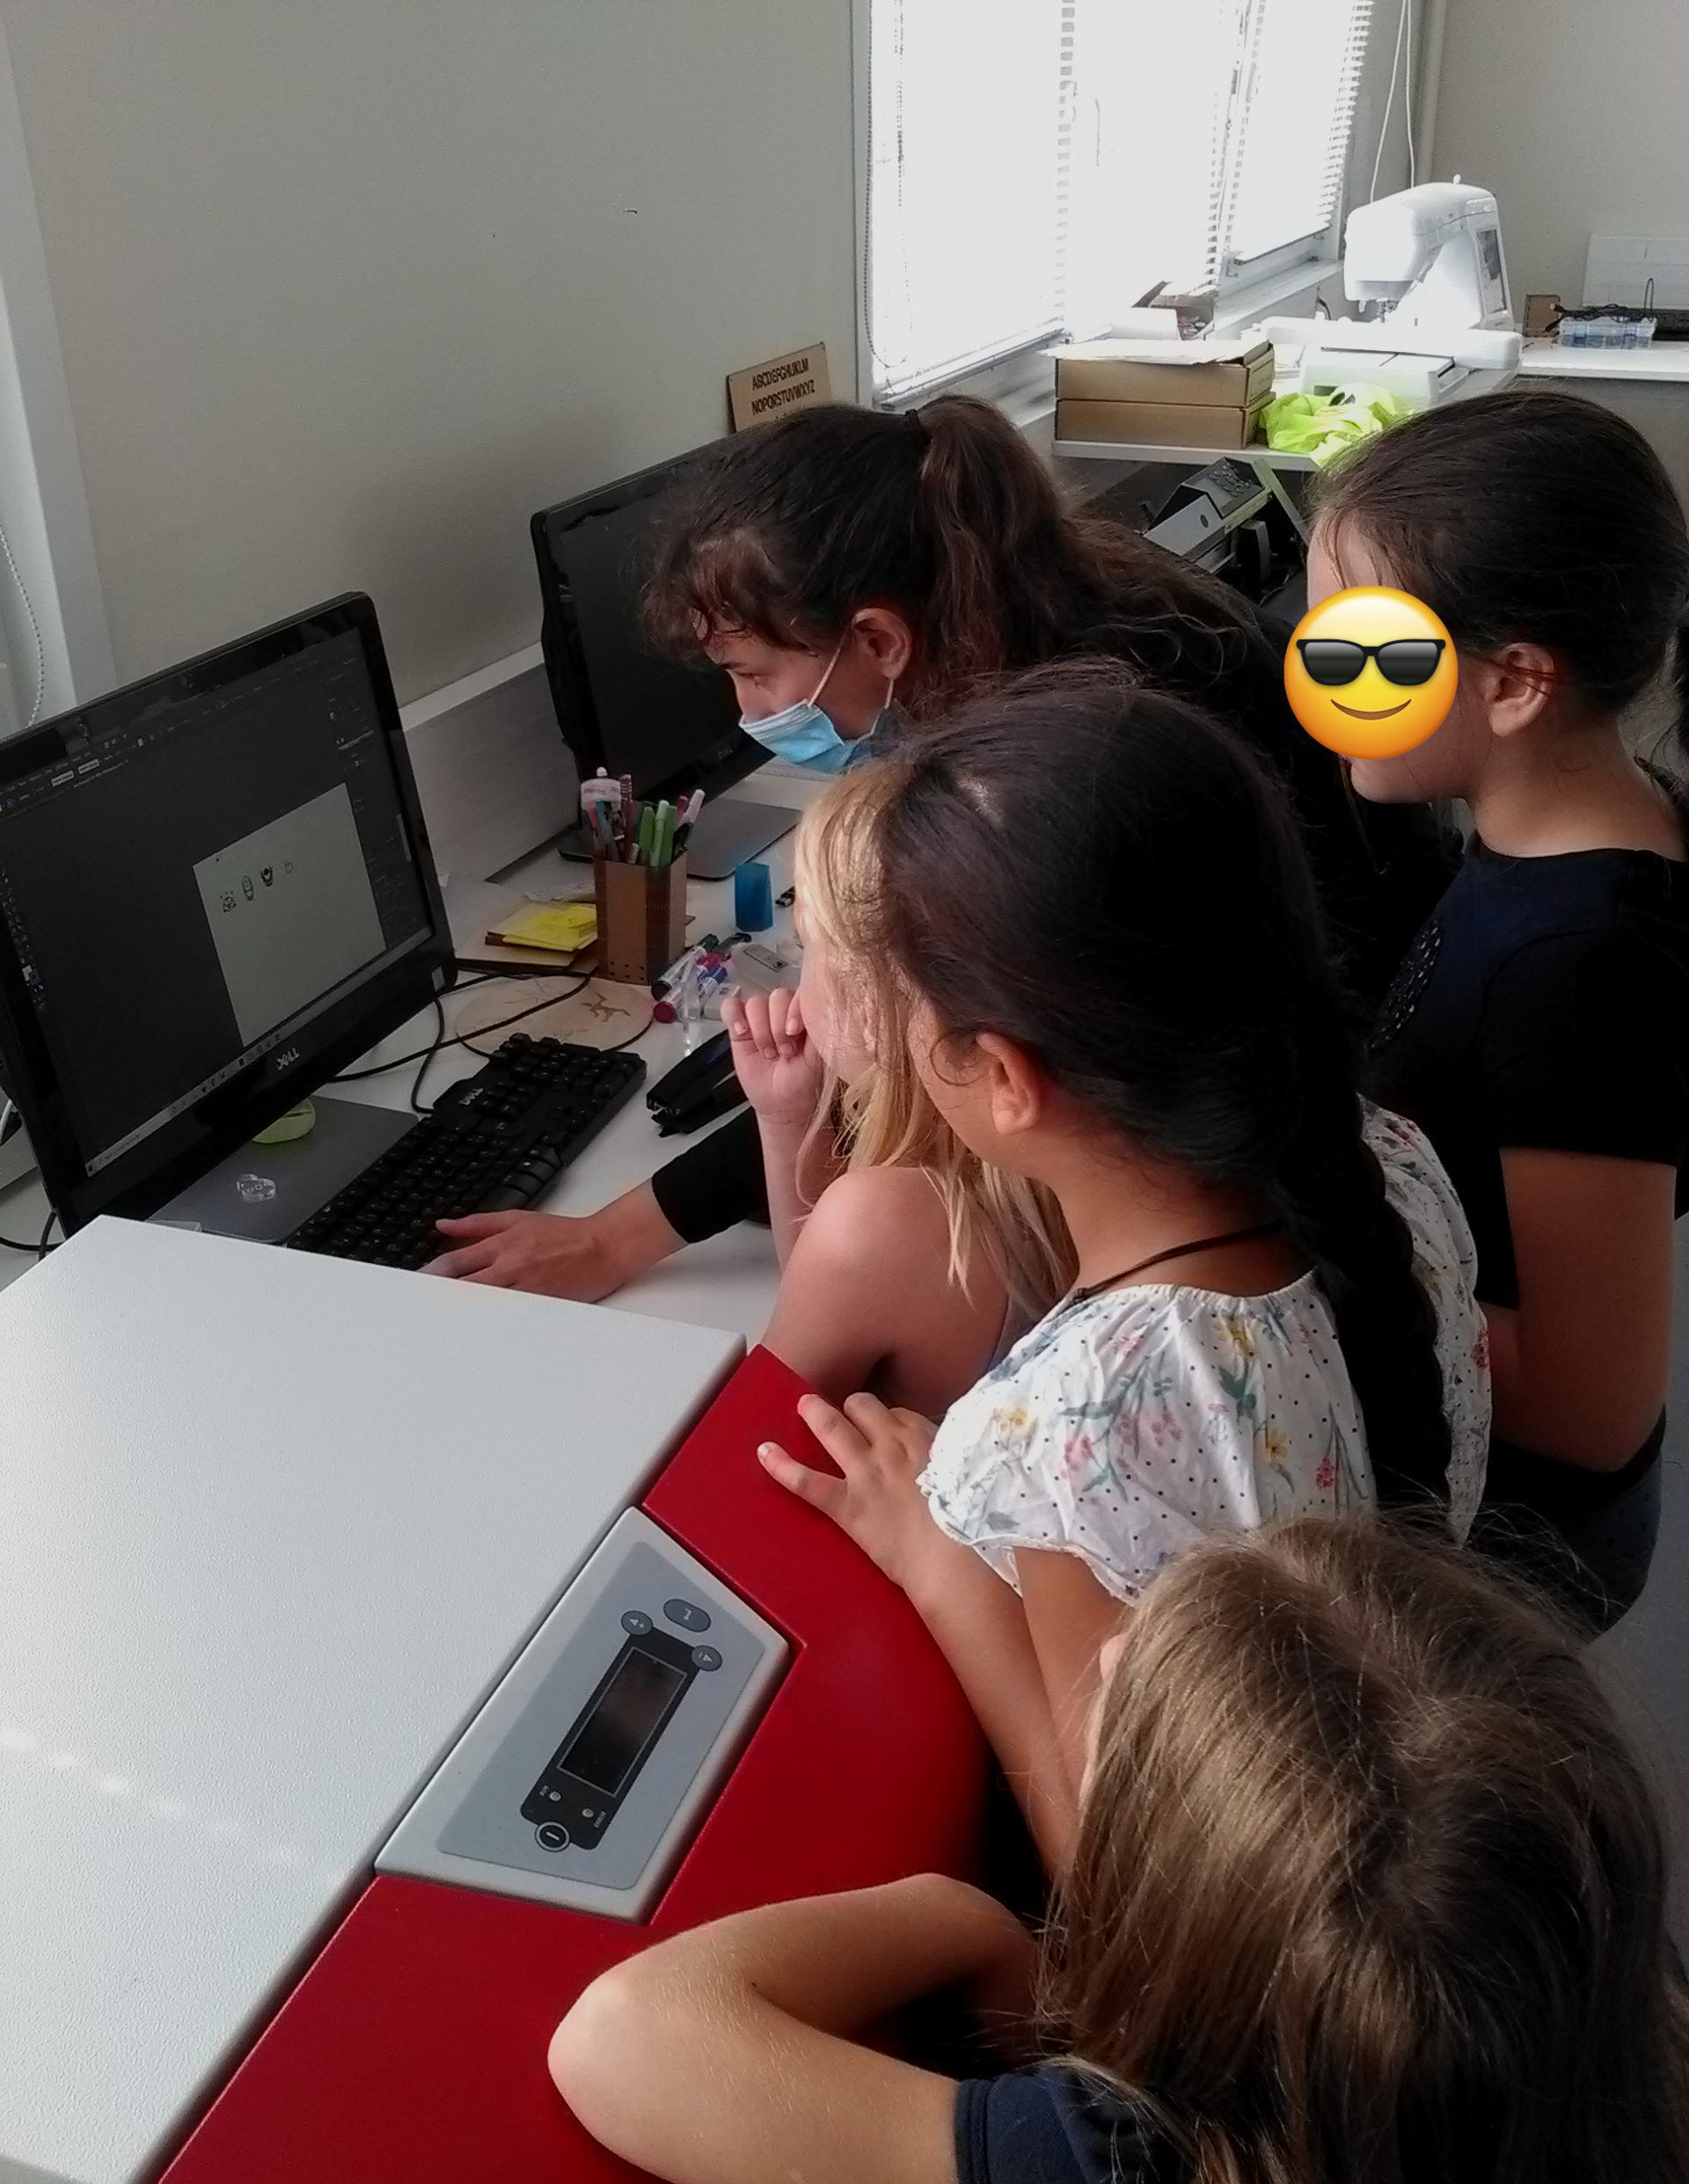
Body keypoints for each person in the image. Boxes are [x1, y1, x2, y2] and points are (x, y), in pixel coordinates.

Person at [427, 395, 1450, 1299]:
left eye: (754, 674)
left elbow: (902, 1063)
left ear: (878, 639)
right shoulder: (1073, 606)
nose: (746, 711)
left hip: (1316, 1123)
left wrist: (618, 1234)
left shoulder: (1058, 767)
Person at [757, 662, 1488, 1866]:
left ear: (1004, 1077)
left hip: (1248, 1944)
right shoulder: (1395, 1160)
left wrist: (944, 1571)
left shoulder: (1069, 1427)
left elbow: (1114, 1872)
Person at [550, 1517, 1689, 2184]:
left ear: (1164, 1912)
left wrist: (961, 1915)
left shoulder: (1120, 2183)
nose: (1103, 1651)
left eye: (1115, 1697)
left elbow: (622, 2038)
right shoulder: (1612, 2004)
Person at [1310, 387, 1689, 1630]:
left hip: (1516, 1548)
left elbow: (1591, 1407)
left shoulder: (1578, 966)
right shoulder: (1560, 825)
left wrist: (1296, 1270)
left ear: (1516, 681)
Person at [719, 789, 1068, 1418]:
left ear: (875, 1002)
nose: (793, 988)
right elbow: (828, 1301)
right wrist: (787, 1117)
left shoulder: (878, 1224)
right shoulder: (1086, 1164)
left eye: (805, 950)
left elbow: (762, 1436)